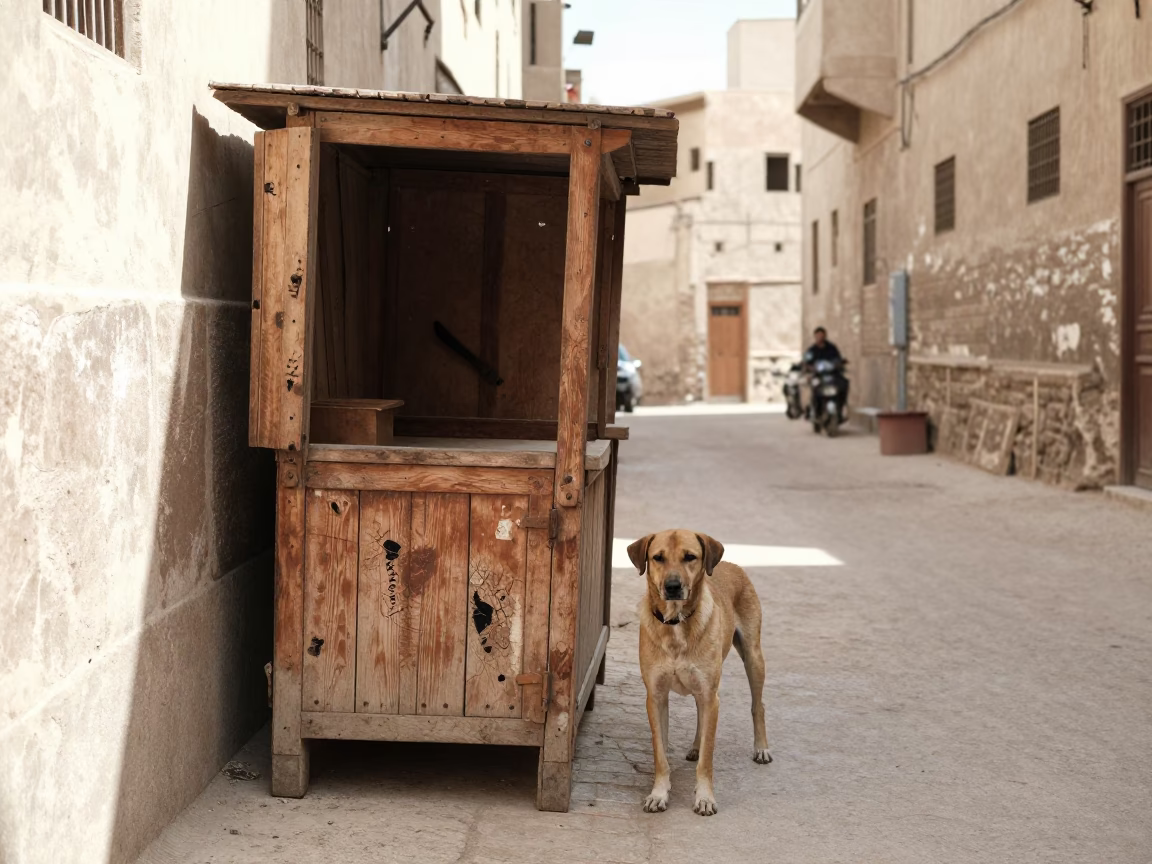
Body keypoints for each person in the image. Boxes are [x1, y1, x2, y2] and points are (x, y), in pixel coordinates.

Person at [803, 327, 849, 421]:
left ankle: (841, 408)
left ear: (825, 336)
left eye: (822, 335)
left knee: (844, 383)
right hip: (818, 376)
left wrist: (840, 364)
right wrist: (809, 368)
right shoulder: (812, 350)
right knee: (815, 390)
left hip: (832, 376)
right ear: (815, 336)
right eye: (818, 335)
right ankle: (815, 411)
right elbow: (806, 362)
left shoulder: (832, 348)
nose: (820, 337)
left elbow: (838, 359)